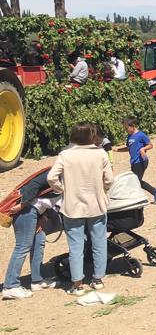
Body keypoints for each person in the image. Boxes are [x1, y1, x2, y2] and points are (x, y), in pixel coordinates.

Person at [47, 122, 114, 296]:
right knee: (99, 242)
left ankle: (77, 284)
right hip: (97, 205)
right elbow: (109, 180)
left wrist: (62, 190)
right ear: (92, 135)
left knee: (75, 246)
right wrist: (102, 190)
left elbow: (51, 177)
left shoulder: (65, 155)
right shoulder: (101, 154)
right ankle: (98, 279)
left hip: (72, 206)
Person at [2, 171, 60, 300]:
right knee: (23, 246)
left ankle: (37, 280)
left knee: (39, 241)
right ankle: (10, 286)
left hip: (35, 212)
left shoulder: (67, 175)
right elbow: (33, 185)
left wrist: (43, 218)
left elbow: (48, 200)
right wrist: (21, 205)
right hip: (26, 211)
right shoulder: (55, 172)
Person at [121, 118, 156, 202]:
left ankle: (154, 192)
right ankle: (154, 192)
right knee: (135, 181)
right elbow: (128, 148)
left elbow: (150, 145)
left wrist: (143, 149)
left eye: (127, 128)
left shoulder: (141, 135)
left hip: (141, 161)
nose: (126, 130)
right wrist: (116, 150)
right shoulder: (129, 136)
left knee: (136, 181)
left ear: (133, 126)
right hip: (134, 162)